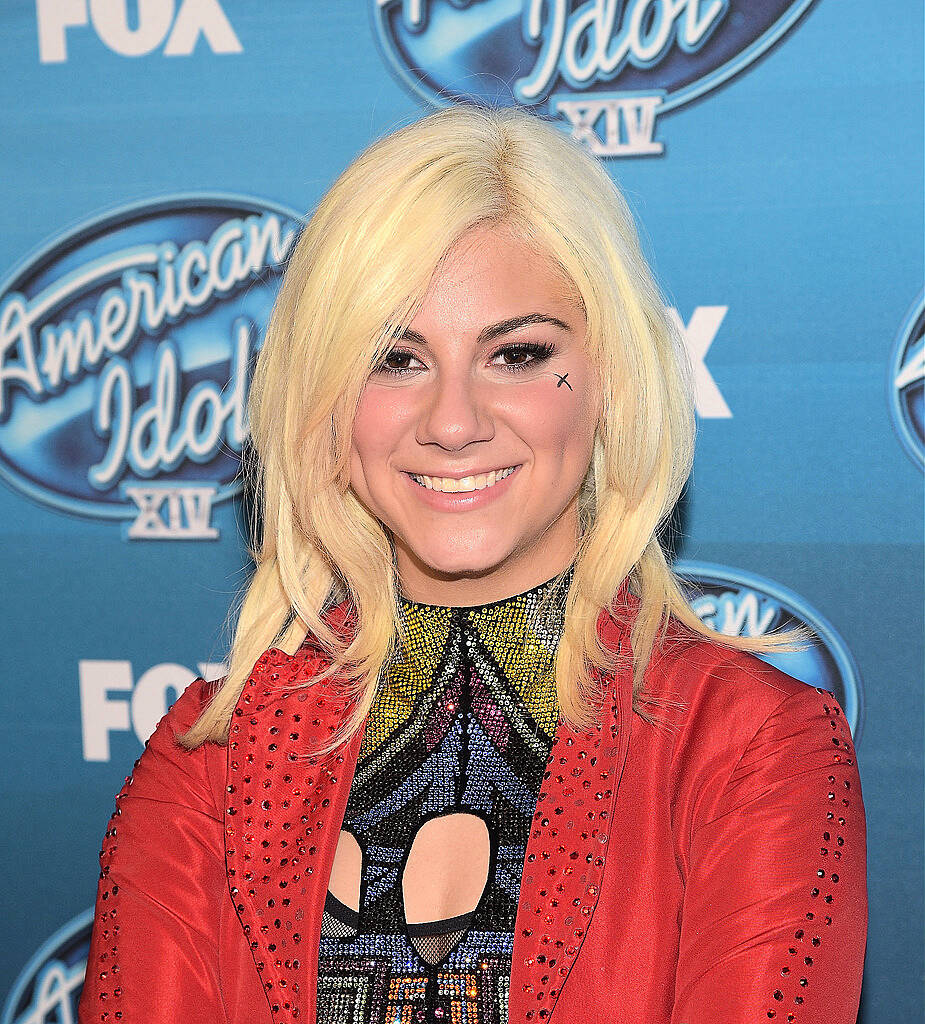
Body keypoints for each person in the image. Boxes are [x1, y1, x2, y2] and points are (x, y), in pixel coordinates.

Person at [77, 105, 867, 1024]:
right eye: (396, 359)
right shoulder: (207, 763)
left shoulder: (749, 753)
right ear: (325, 404)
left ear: (611, 381)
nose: (453, 423)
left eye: (517, 354)